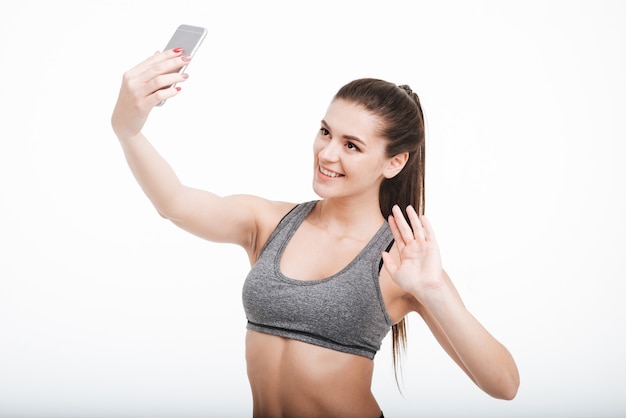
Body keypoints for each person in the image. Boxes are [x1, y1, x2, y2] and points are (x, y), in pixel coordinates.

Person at [111, 48, 520, 418]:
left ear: (393, 163)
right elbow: (175, 204)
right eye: (325, 132)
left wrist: (433, 291)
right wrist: (129, 131)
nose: (327, 154)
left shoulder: (400, 261)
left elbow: (503, 384)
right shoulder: (269, 223)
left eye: (352, 145)